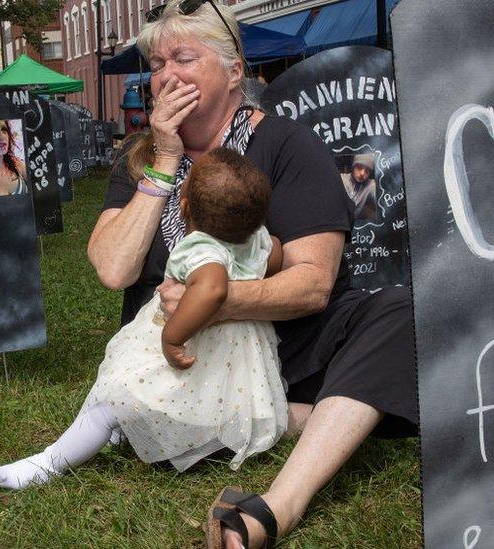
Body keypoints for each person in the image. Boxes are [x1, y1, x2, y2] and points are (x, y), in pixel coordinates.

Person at [86, 2, 417, 548]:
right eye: (157, 64)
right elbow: (114, 268)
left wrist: (212, 299)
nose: (166, 76)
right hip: (184, 359)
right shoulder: (140, 156)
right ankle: (305, 415)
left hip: (286, 344)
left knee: (397, 314)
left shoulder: (287, 145)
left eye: (183, 58)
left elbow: (313, 283)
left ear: (234, 70)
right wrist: (165, 161)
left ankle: (278, 505)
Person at [0, 148, 287, 490]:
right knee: (209, 399)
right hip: (236, 356)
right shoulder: (257, 239)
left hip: (192, 342)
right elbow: (274, 255)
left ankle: (51, 461)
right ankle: (157, 433)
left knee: (117, 393)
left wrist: (172, 337)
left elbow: (213, 288)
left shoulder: (201, 247)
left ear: (184, 208)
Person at [342, 152, 378, 220]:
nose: (362, 173)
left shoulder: (370, 185)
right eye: (359, 167)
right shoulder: (341, 179)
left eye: (367, 170)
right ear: (353, 167)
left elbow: (381, 200)